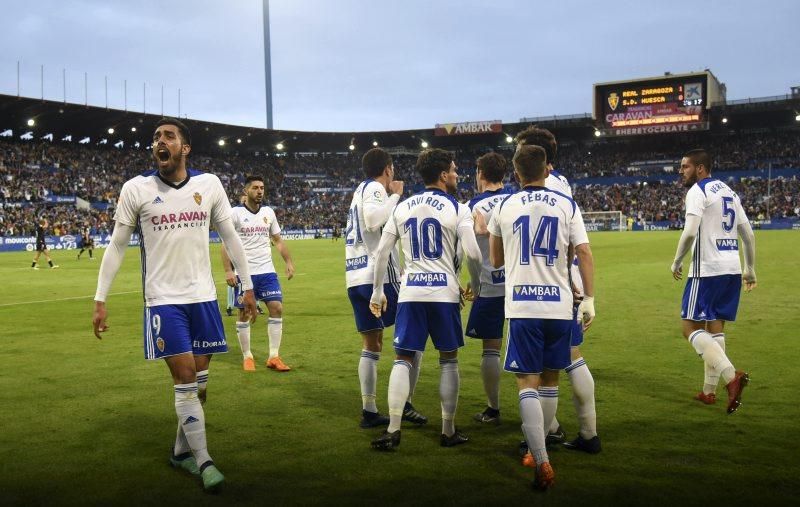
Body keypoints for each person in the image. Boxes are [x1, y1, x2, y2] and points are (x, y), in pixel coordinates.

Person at [91, 118, 257, 492]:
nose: (159, 142)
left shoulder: (209, 185)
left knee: (199, 384)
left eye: (168, 136)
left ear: (185, 148)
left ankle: (181, 452)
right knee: (184, 379)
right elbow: (117, 246)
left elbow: (230, 236)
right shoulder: (136, 189)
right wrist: (100, 298)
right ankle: (205, 461)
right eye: (155, 138)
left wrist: (247, 287)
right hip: (163, 300)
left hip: (204, 298)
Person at [487, 144, 595, 490]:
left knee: (526, 383)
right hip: (560, 305)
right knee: (551, 380)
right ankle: (543, 447)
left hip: (523, 305)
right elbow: (584, 253)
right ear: (546, 170)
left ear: (516, 174)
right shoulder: (567, 204)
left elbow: (497, 260)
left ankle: (541, 460)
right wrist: (589, 298)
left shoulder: (505, 205)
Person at [369, 148, 482, 450]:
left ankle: (393, 430)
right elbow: (472, 252)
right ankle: (448, 430)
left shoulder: (402, 208)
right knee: (448, 360)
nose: (458, 174)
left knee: (402, 359)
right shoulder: (459, 209)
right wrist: (476, 283)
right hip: (444, 294)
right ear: (443, 175)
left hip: (411, 293)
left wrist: (378, 290)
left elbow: (382, 253)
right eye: (455, 169)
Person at [516, 125, 600, 453]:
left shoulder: (540, 187)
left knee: (539, 370)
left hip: (549, 284)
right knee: (569, 356)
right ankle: (586, 433)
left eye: (522, 149)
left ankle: (544, 436)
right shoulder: (561, 182)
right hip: (566, 280)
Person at [345, 147, 427, 429]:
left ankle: (369, 410)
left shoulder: (359, 190)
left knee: (372, 344)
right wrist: (395, 195)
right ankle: (404, 403)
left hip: (355, 277)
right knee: (413, 337)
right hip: (376, 276)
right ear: (389, 169)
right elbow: (372, 220)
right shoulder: (376, 189)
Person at [671, 148, 755, 414]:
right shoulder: (729, 192)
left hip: (706, 270)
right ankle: (709, 392)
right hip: (731, 270)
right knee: (715, 327)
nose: (681, 171)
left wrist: (676, 261)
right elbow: (748, 234)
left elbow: (689, 232)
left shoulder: (698, 191)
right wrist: (749, 268)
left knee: (689, 327)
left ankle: (731, 377)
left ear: (700, 168)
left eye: (685, 167)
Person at [222, 174, 295, 372]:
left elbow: (277, 240)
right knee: (244, 313)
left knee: (277, 308)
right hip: (245, 273)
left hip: (267, 271)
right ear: (246, 191)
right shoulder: (234, 213)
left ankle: (273, 356)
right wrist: (229, 270)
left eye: (262, 187)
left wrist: (288, 261)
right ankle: (247, 356)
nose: (260, 191)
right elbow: (226, 243)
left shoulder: (269, 213)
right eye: (255, 188)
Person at [465, 152, 511, 424]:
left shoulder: (472, 206)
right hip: (520, 283)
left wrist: (473, 283)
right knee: (526, 347)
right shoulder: (515, 201)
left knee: (490, 348)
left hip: (489, 285)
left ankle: (493, 409)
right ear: (503, 175)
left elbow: (469, 251)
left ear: (480, 174)